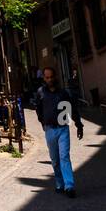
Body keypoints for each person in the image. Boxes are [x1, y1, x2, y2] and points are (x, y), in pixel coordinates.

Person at [35, 66, 83, 197]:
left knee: (64, 157)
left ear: (55, 77)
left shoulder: (63, 93)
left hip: (63, 128)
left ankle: (69, 186)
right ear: (44, 78)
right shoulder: (41, 93)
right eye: (47, 77)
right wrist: (43, 123)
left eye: (51, 77)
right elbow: (38, 109)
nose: (49, 79)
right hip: (49, 130)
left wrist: (79, 125)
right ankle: (59, 183)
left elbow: (72, 109)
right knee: (55, 159)